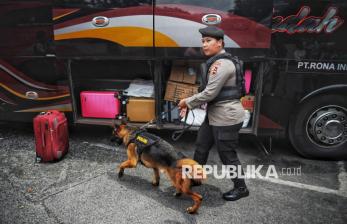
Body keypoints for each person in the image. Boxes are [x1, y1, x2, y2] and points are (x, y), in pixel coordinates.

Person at [178, 26, 249, 201]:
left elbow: (210, 93)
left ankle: (241, 188)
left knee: (227, 155)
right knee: (201, 146)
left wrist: (187, 102)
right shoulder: (216, 62)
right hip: (215, 115)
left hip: (227, 117)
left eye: (208, 41)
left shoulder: (222, 64)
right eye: (203, 41)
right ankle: (195, 178)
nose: (204, 45)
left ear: (220, 43)